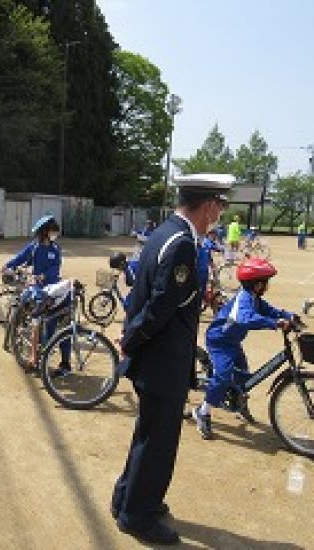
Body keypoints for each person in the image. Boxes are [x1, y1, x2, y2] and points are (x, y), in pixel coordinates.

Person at [112, 173, 234, 545]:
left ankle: (127, 499)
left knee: (147, 435)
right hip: (163, 360)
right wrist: (130, 339)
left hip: (156, 358)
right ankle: (138, 516)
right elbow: (160, 305)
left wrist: (133, 337)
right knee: (159, 442)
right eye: (221, 205)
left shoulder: (165, 233)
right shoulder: (182, 243)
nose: (220, 213)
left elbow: (153, 294)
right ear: (209, 204)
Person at [193, 258, 295, 440]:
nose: (266, 286)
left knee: (243, 377)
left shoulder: (255, 298)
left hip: (232, 342)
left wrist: (287, 315)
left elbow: (270, 310)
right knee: (223, 376)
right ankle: (203, 411)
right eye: (265, 282)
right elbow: (245, 318)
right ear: (256, 284)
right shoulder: (244, 298)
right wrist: (275, 323)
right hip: (220, 342)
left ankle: (238, 402)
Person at [3, 214, 70, 374]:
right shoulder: (34, 247)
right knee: (38, 322)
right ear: (45, 231)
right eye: (53, 231)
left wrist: (44, 276)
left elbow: (55, 268)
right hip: (38, 289)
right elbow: (20, 258)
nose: (55, 234)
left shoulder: (56, 249)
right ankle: (36, 357)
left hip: (54, 289)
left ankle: (65, 363)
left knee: (63, 325)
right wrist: (7, 265)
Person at [198, 229, 223, 300]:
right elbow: (216, 248)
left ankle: (203, 298)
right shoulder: (206, 242)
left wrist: (212, 264)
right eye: (214, 235)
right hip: (200, 269)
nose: (215, 236)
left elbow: (208, 254)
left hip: (204, 269)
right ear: (210, 234)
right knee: (201, 285)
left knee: (204, 285)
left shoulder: (206, 242)